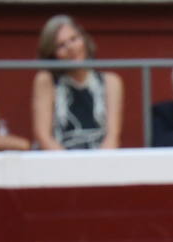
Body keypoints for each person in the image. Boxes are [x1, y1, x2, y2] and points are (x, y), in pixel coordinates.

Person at [31, 14, 123, 150]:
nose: (70, 48)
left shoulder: (111, 81)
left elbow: (113, 136)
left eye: (74, 39)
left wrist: (99, 166)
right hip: (59, 162)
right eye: (61, 45)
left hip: (101, 162)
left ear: (84, 40)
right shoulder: (46, 80)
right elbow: (43, 136)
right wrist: (70, 166)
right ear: (52, 54)